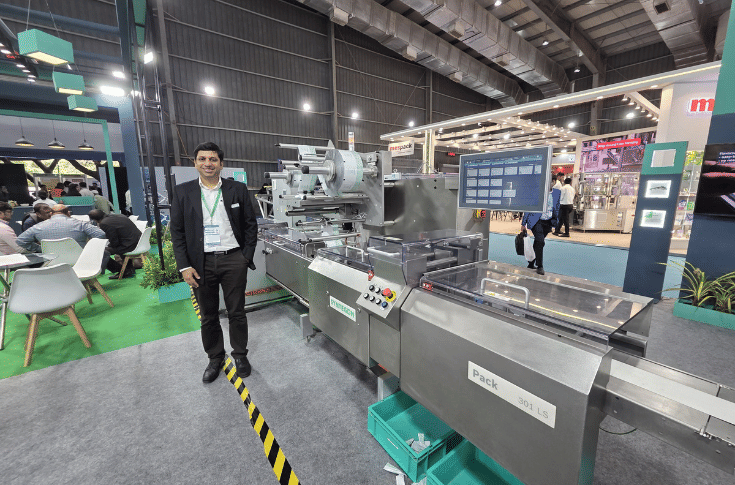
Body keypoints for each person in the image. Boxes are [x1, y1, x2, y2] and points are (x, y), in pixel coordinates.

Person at [170, 141, 258, 383]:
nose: (207, 163)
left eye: (213, 159)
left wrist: (245, 256)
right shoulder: (183, 192)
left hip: (233, 260)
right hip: (200, 263)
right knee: (208, 315)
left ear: (221, 163)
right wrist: (184, 266)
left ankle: (240, 355)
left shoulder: (237, 189)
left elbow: (250, 225)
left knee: (236, 312)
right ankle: (215, 357)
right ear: (195, 163)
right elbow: (177, 232)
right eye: (202, 159)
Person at [16, 204, 130, 277]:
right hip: (81, 259)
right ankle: (114, 272)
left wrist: (40, 248)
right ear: (68, 213)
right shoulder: (79, 224)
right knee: (102, 252)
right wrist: (88, 245)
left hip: (51, 261)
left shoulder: (37, 227)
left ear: (51, 214)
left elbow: (20, 241)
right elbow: (101, 234)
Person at [521, 179, 561, 275]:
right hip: (536, 220)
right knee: (540, 241)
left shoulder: (557, 193)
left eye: (551, 181)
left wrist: (556, 221)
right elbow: (529, 207)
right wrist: (523, 223)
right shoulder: (536, 191)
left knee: (538, 242)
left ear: (553, 182)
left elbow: (557, 207)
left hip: (549, 221)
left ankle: (531, 262)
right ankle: (540, 266)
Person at [88, 210, 141, 278]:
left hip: (129, 246)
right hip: (139, 242)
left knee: (100, 252)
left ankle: (122, 271)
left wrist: (105, 246)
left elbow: (114, 242)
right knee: (118, 245)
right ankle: (129, 269)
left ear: (95, 220)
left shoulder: (104, 223)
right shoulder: (119, 215)